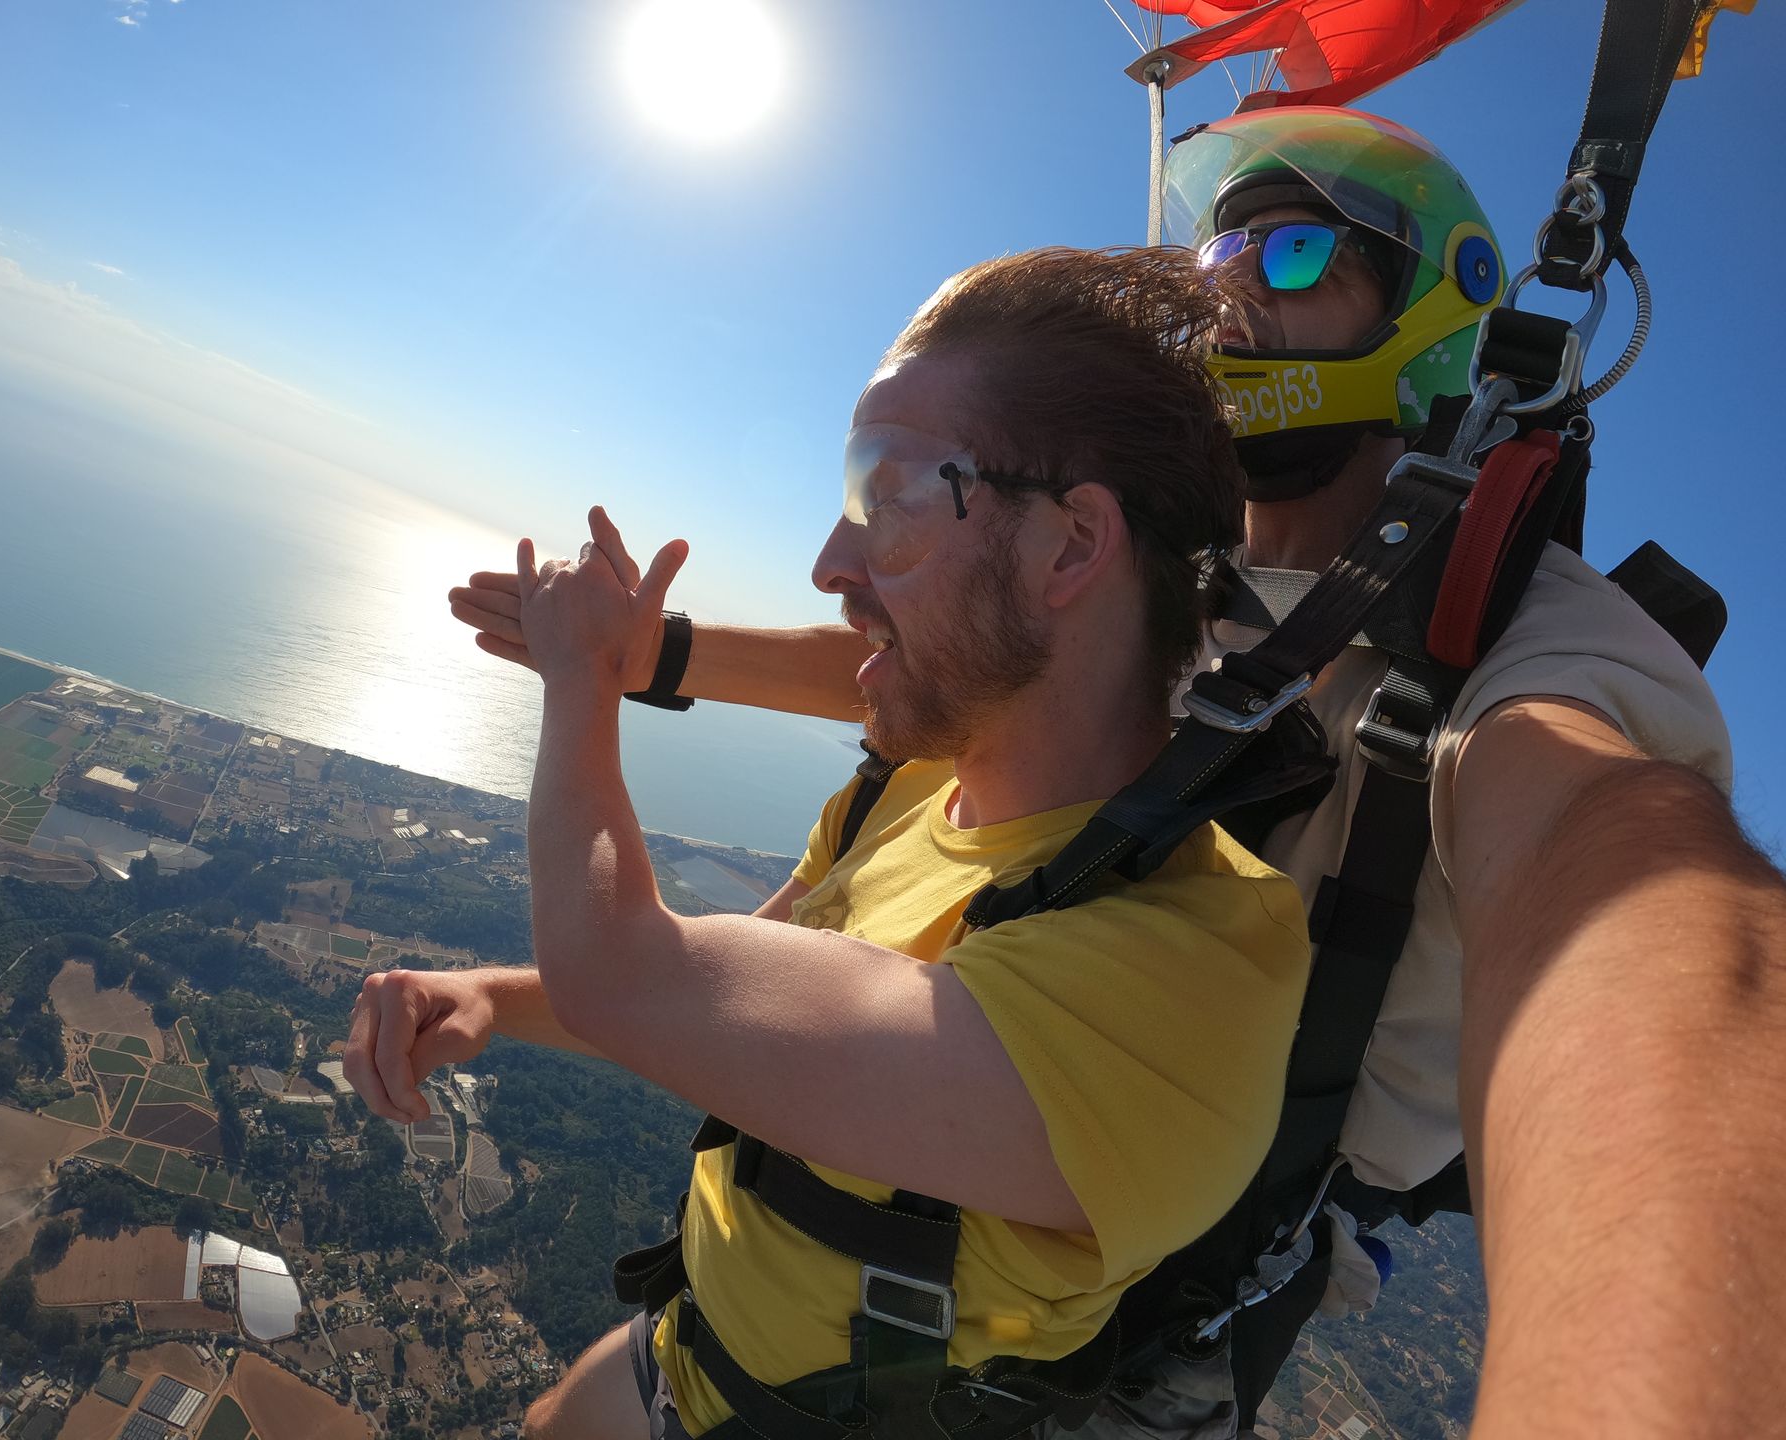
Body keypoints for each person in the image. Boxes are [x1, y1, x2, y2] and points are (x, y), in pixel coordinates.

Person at [450, 109, 1786, 1439]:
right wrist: (663, 654)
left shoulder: (1513, 633)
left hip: (1152, 1147)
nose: (1238, 294)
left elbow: (1621, 884)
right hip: (930, 1174)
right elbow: (960, 650)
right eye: (1221, 263)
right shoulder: (1191, 584)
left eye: (1301, 255)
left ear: (1436, 314)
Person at [346, 247, 1317, 1440]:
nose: (830, 564)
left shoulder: (1182, 980)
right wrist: (492, 995)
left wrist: (583, 679)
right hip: (685, 1354)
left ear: (1072, 547)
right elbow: (703, 988)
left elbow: (626, 971)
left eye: (893, 494)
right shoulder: (911, 791)